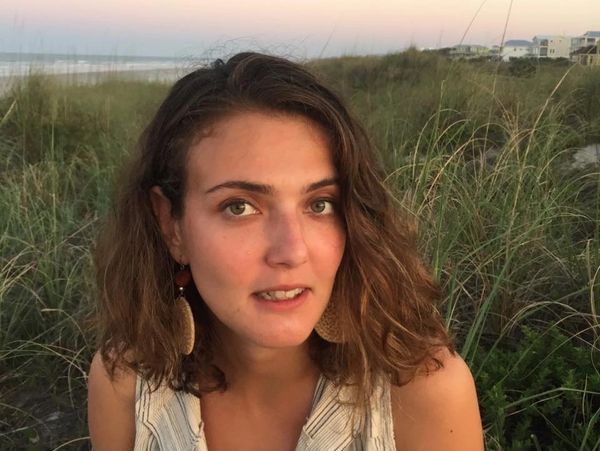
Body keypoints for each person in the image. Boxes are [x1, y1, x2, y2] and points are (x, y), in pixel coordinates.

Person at [88, 52, 483, 451]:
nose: (292, 251)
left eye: (320, 204)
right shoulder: (128, 383)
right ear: (171, 226)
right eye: (239, 207)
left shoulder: (422, 393)